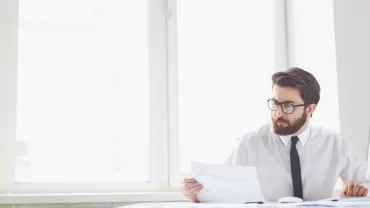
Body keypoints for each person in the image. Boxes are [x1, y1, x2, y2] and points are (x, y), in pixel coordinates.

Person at [181, 67, 368, 202]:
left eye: (288, 106)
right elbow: (222, 190)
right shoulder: (248, 145)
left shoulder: (334, 144)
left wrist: (356, 194)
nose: (278, 113)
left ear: (310, 109)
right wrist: (198, 195)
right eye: (275, 103)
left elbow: (364, 183)